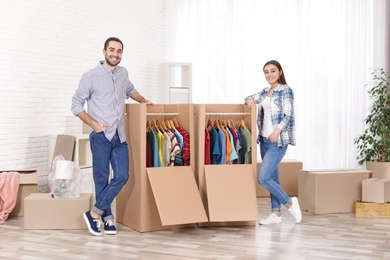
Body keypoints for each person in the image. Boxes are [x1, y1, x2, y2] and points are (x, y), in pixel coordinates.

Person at [71, 37, 153, 236]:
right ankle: (107, 219)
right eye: (112, 50)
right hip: (100, 136)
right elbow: (75, 105)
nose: (115, 54)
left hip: (119, 136)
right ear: (104, 51)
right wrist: (93, 124)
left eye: (119, 51)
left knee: (122, 176)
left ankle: (93, 213)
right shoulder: (90, 76)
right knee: (101, 178)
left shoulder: (123, 74)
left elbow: (130, 90)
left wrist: (143, 101)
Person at [244, 60, 302, 225]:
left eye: (273, 71)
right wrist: (249, 101)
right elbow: (249, 98)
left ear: (280, 72)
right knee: (273, 178)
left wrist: (277, 132)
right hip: (264, 140)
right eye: (266, 72)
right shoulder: (264, 92)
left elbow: (289, 115)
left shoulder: (286, 90)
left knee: (263, 178)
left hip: (277, 141)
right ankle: (276, 214)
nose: (269, 75)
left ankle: (290, 203)